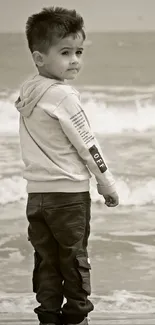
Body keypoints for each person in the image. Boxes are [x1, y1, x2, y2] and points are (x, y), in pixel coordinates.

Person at [15, 6, 119, 325]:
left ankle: (47, 316)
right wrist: (107, 184)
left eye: (78, 51)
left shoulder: (29, 92)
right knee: (74, 260)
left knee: (46, 261)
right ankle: (76, 319)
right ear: (39, 57)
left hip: (37, 198)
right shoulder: (63, 96)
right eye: (64, 52)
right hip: (69, 197)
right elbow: (88, 145)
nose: (74, 60)